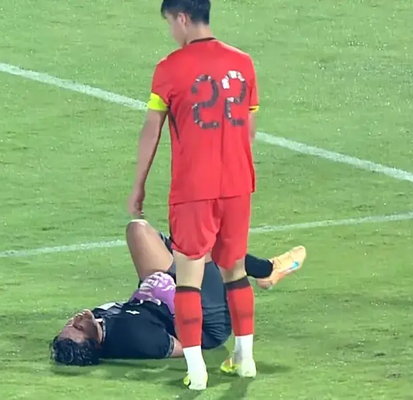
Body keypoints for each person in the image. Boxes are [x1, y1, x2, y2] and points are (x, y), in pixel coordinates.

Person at [126, 0, 260, 390]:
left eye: (170, 22)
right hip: (238, 185)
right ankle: (245, 359)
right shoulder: (244, 63)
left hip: (193, 190)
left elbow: (151, 130)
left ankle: (197, 369)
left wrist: (138, 185)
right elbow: (249, 129)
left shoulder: (170, 68)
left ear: (182, 18)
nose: (171, 31)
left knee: (189, 278)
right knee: (235, 272)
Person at [51, 219, 306, 366]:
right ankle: (267, 270)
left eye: (70, 323)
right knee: (197, 243)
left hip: (163, 289)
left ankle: (182, 251)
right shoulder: (136, 339)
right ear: (95, 343)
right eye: (79, 327)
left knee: (138, 230)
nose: (76, 319)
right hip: (205, 319)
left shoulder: (98, 320)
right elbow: (187, 347)